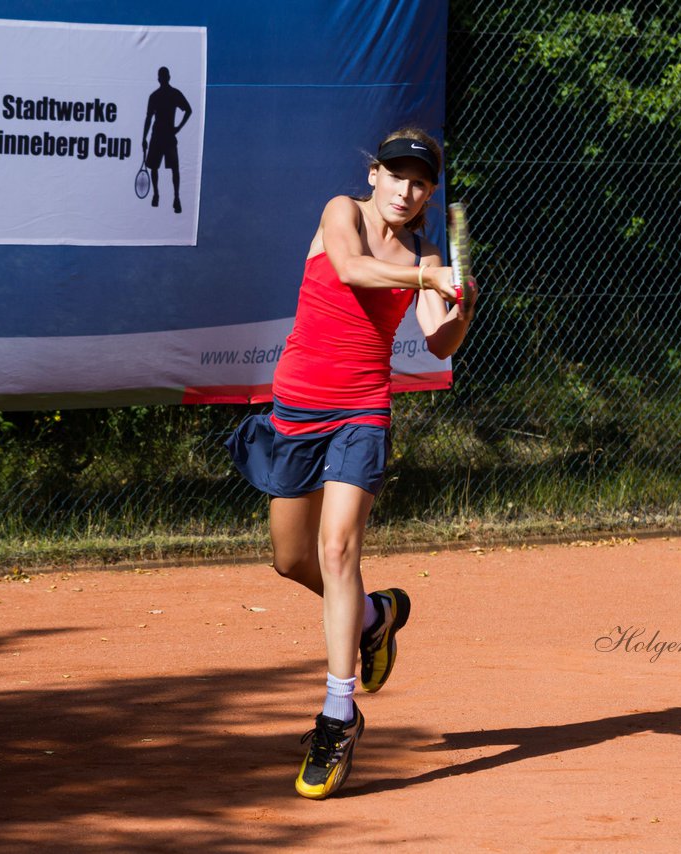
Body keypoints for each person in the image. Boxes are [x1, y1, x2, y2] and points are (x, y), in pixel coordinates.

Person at [226, 128, 476, 799]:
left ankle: (338, 715)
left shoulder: (423, 251)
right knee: (291, 559)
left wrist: (462, 309)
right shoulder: (342, 212)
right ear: (373, 175)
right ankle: (373, 617)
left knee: (337, 551)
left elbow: (439, 340)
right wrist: (427, 276)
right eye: (395, 174)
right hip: (297, 410)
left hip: (364, 410)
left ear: (429, 194)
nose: (405, 189)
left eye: (420, 182)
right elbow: (350, 269)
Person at [141, 67, 192, 214]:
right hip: (162, 136)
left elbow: (188, 110)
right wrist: (144, 137)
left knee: (168, 169)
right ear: (167, 77)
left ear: (162, 78)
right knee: (160, 168)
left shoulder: (158, 95)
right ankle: (162, 196)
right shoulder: (169, 94)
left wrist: (178, 128)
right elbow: (149, 118)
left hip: (163, 136)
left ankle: (170, 197)